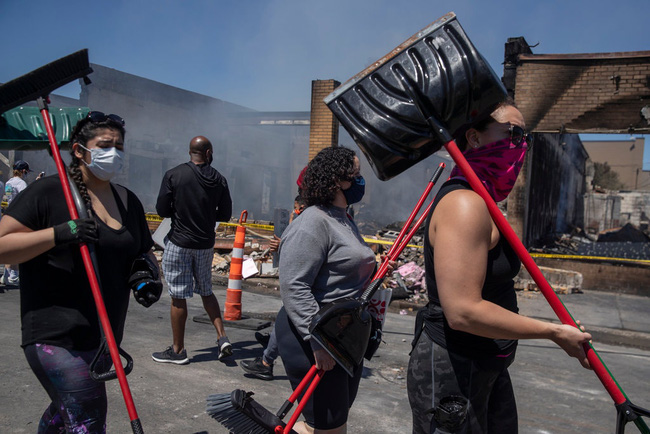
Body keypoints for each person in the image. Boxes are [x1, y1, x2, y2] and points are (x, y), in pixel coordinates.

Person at [407, 101, 592, 433]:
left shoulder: (485, 201)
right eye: (514, 134)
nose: (521, 146)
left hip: (487, 365)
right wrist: (552, 332)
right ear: (474, 139)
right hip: (453, 370)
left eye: (526, 138)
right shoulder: (464, 203)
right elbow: (463, 311)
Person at [0, 111, 157, 432]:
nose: (114, 152)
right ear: (79, 150)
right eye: (105, 144)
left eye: (119, 146)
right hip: (56, 337)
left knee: (62, 418)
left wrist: (146, 276)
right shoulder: (48, 192)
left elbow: (143, 252)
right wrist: (61, 232)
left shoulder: (128, 200)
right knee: (87, 418)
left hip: (104, 339)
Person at [276, 146, 389, 434]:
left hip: (344, 334)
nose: (361, 181)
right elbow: (294, 285)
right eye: (356, 174)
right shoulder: (313, 222)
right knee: (329, 427)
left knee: (326, 424)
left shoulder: (343, 217)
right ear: (337, 180)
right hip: (314, 335)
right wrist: (317, 341)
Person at [152, 135, 233, 365]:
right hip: (206, 245)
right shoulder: (220, 179)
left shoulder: (174, 174)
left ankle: (178, 351)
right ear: (208, 153)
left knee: (178, 297)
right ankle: (222, 337)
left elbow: (161, 210)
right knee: (206, 290)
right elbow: (225, 215)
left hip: (179, 243)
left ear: (191, 152)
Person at [239, 194, 306, 380]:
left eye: (297, 209)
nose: (294, 212)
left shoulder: (306, 225)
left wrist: (283, 245)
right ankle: (269, 353)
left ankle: (266, 362)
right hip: (299, 282)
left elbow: (300, 252)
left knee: (287, 317)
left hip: (303, 283)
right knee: (285, 317)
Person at [3, 160, 34, 285]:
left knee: (9, 245)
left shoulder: (8, 182)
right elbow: (25, 200)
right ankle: (14, 276)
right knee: (17, 249)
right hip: (19, 216)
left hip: (8, 214)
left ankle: (6, 275)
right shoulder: (21, 183)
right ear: (23, 171)